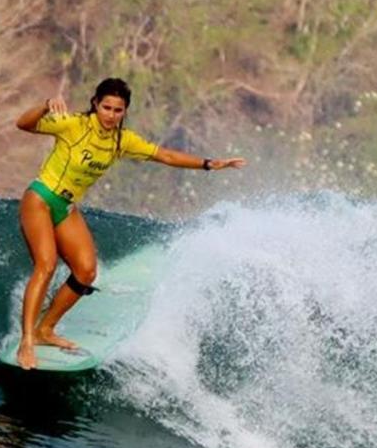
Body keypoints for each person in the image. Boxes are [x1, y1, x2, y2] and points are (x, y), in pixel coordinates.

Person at [13, 77, 245, 369]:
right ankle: (27, 341)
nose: (110, 114)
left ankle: (45, 329)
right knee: (46, 265)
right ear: (95, 104)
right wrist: (45, 106)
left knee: (85, 271)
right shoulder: (73, 124)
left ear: (124, 112)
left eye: (118, 110)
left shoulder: (122, 141)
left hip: (66, 206)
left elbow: (166, 155)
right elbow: (23, 124)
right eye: (106, 107)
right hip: (41, 198)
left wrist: (209, 163)